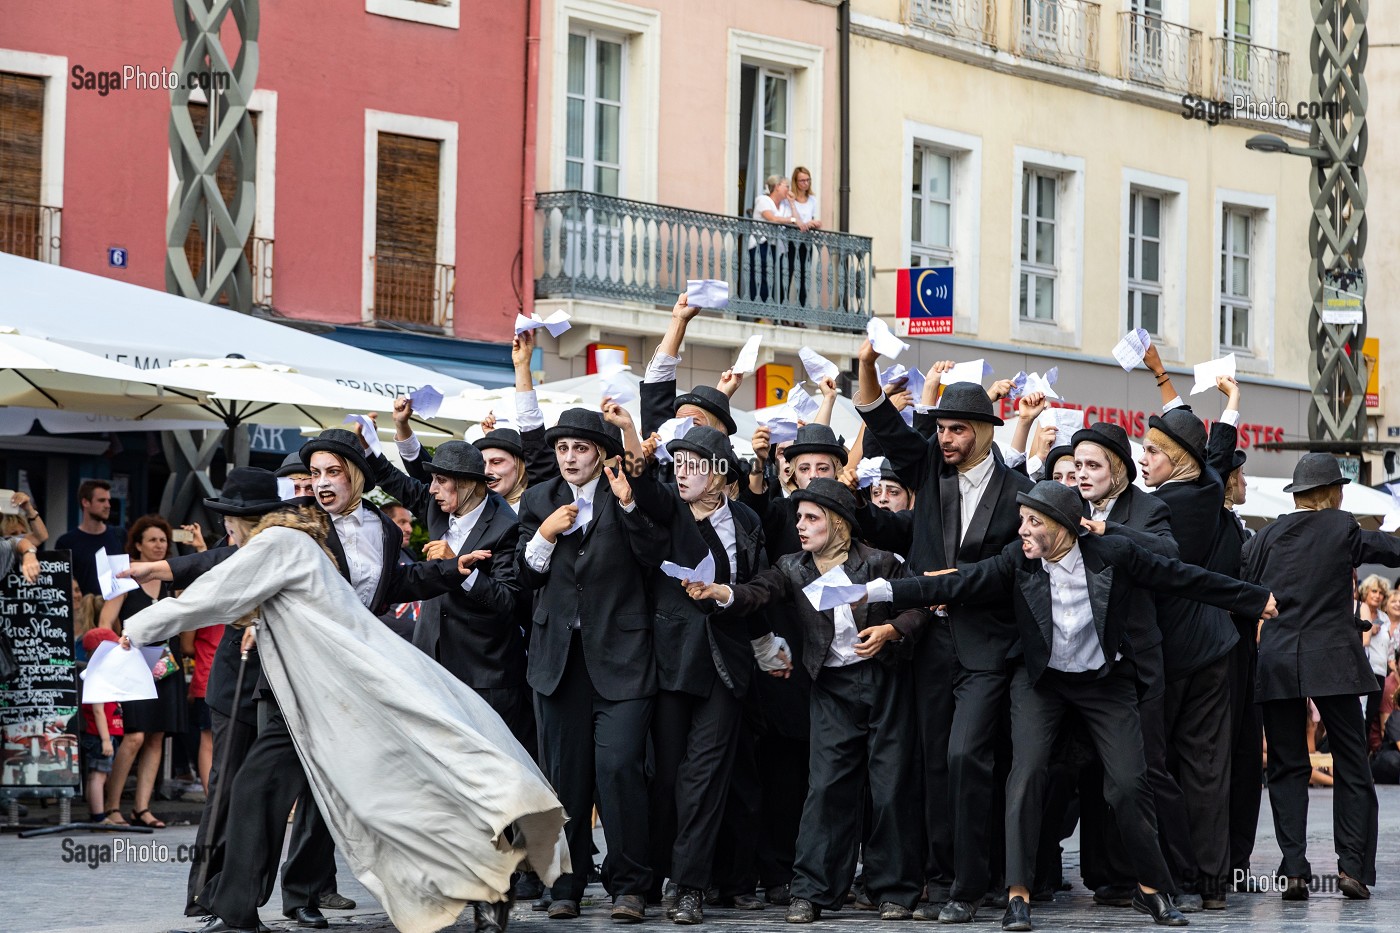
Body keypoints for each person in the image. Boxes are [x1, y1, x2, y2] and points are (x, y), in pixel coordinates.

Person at [117, 482, 567, 933]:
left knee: (395, 798)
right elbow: (240, 592)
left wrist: (137, 629)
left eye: (228, 525)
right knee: (263, 789)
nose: (227, 535)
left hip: (338, 694)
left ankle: (489, 886)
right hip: (308, 698)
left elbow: (213, 593)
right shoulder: (292, 544)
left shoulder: (278, 543)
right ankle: (236, 909)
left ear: (242, 521)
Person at [865, 480, 1276, 931]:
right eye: (1022, 520)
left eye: (1033, 522)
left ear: (1062, 527)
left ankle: (1155, 889)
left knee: (1128, 784)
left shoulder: (1114, 554)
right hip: (1041, 683)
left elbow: (1183, 577)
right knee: (1026, 774)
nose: (1021, 529)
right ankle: (1017, 895)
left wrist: (1253, 600)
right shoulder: (1017, 562)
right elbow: (964, 581)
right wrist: (880, 592)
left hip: (1105, 682)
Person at [690, 479, 927, 923]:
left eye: (811, 518)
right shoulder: (792, 567)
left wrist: (891, 631)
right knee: (825, 788)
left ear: (838, 524)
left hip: (883, 682)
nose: (800, 525)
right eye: (799, 517)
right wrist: (721, 593)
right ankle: (812, 890)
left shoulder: (879, 562)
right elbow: (757, 591)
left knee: (890, 787)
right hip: (832, 688)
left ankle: (894, 889)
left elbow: (915, 606)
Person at [854, 338, 1034, 922]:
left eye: (956, 430)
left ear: (984, 430)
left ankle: (970, 884)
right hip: (929, 645)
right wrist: (865, 366)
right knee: (934, 763)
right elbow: (882, 420)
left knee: (965, 758)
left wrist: (937, 584)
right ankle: (941, 874)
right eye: (941, 429)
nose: (945, 439)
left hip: (986, 648)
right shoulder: (928, 465)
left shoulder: (1018, 495)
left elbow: (996, 578)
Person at [515, 407, 669, 922]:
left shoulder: (622, 493)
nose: (569, 457)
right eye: (562, 449)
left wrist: (627, 505)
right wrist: (544, 537)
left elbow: (655, 555)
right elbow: (524, 577)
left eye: (579, 448)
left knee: (620, 767)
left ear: (600, 453)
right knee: (566, 779)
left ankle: (629, 886)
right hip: (558, 662)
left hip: (622, 657)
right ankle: (565, 885)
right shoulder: (539, 500)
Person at [1244, 453, 1400, 901]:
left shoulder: (1265, 537)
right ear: (1333, 492)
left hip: (1275, 659)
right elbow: (1388, 548)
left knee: (1287, 765)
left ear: (1298, 495)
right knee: (1353, 762)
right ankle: (1350, 868)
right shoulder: (1341, 526)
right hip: (1331, 660)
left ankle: (1294, 869)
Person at [1136, 352, 1245, 910]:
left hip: (1175, 650)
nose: (1143, 457)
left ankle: (1177, 873)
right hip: (1213, 646)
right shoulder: (1205, 489)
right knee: (1206, 768)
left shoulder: (1155, 510)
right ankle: (1213, 881)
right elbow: (1214, 449)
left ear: (1176, 461)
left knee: (1163, 767)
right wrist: (1230, 403)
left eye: (1153, 451)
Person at [1069, 422, 1192, 906]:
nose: (1082, 474)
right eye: (1077, 465)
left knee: (1145, 772)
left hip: (1137, 661)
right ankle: (1109, 876)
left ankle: (1177, 876)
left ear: (1118, 471)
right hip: (1079, 664)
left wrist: (1107, 529)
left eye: (1093, 465)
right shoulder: (1067, 505)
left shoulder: (1147, 508)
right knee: (1092, 773)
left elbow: (1167, 553)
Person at [98, 514, 186, 829]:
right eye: (152, 539)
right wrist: (117, 650)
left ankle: (142, 808)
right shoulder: (125, 577)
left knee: (156, 736)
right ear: (137, 545)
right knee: (133, 736)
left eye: (163, 539)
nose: (159, 545)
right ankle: (111, 807)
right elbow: (104, 625)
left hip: (167, 666)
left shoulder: (173, 579)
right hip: (132, 665)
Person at [80, 624, 124, 822]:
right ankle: (98, 817)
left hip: (102, 734)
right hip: (100, 735)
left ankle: (96, 815)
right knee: (98, 775)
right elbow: (98, 711)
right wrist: (106, 740)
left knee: (98, 775)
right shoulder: (96, 676)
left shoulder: (101, 675)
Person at [56, 479, 125, 597]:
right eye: (102, 501)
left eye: (109, 501)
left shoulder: (119, 535)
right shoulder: (66, 542)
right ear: (85, 502)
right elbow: (61, 581)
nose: (108, 506)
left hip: (115, 609)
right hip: (83, 610)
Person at [749, 174, 798, 303]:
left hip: (777, 248)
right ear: (777, 186)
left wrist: (792, 203)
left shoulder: (784, 206)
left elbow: (796, 221)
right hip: (760, 245)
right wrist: (791, 220)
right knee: (761, 278)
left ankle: (771, 314)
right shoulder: (762, 200)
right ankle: (760, 315)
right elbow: (773, 219)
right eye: (786, 186)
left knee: (775, 279)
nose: (789, 189)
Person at [1359, 575, 1392, 753]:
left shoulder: (1384, 618)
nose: (1378, 595)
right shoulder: (1357, 610)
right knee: (1359, 716)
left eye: (1381, 592)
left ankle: (1363, 759)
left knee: (1370, 715)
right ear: (1365, 591)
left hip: (1379, 671)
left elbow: (1391, 648)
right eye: (1374, 591)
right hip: (1363, 669)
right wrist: (1370, 628)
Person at [788, 166, 820, 306]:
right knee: (787, 273)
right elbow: (791, 219)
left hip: (806, 242)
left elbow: (813, 219)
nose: (805, 183)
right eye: (802, 180)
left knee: (804, 276)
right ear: (796, 181)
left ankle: (801, 312)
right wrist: (802, 223)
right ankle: (782, 314)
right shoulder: (790, 199)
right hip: (791, 240)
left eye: (808, 180)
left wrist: (813, 223)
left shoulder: (812, 200)